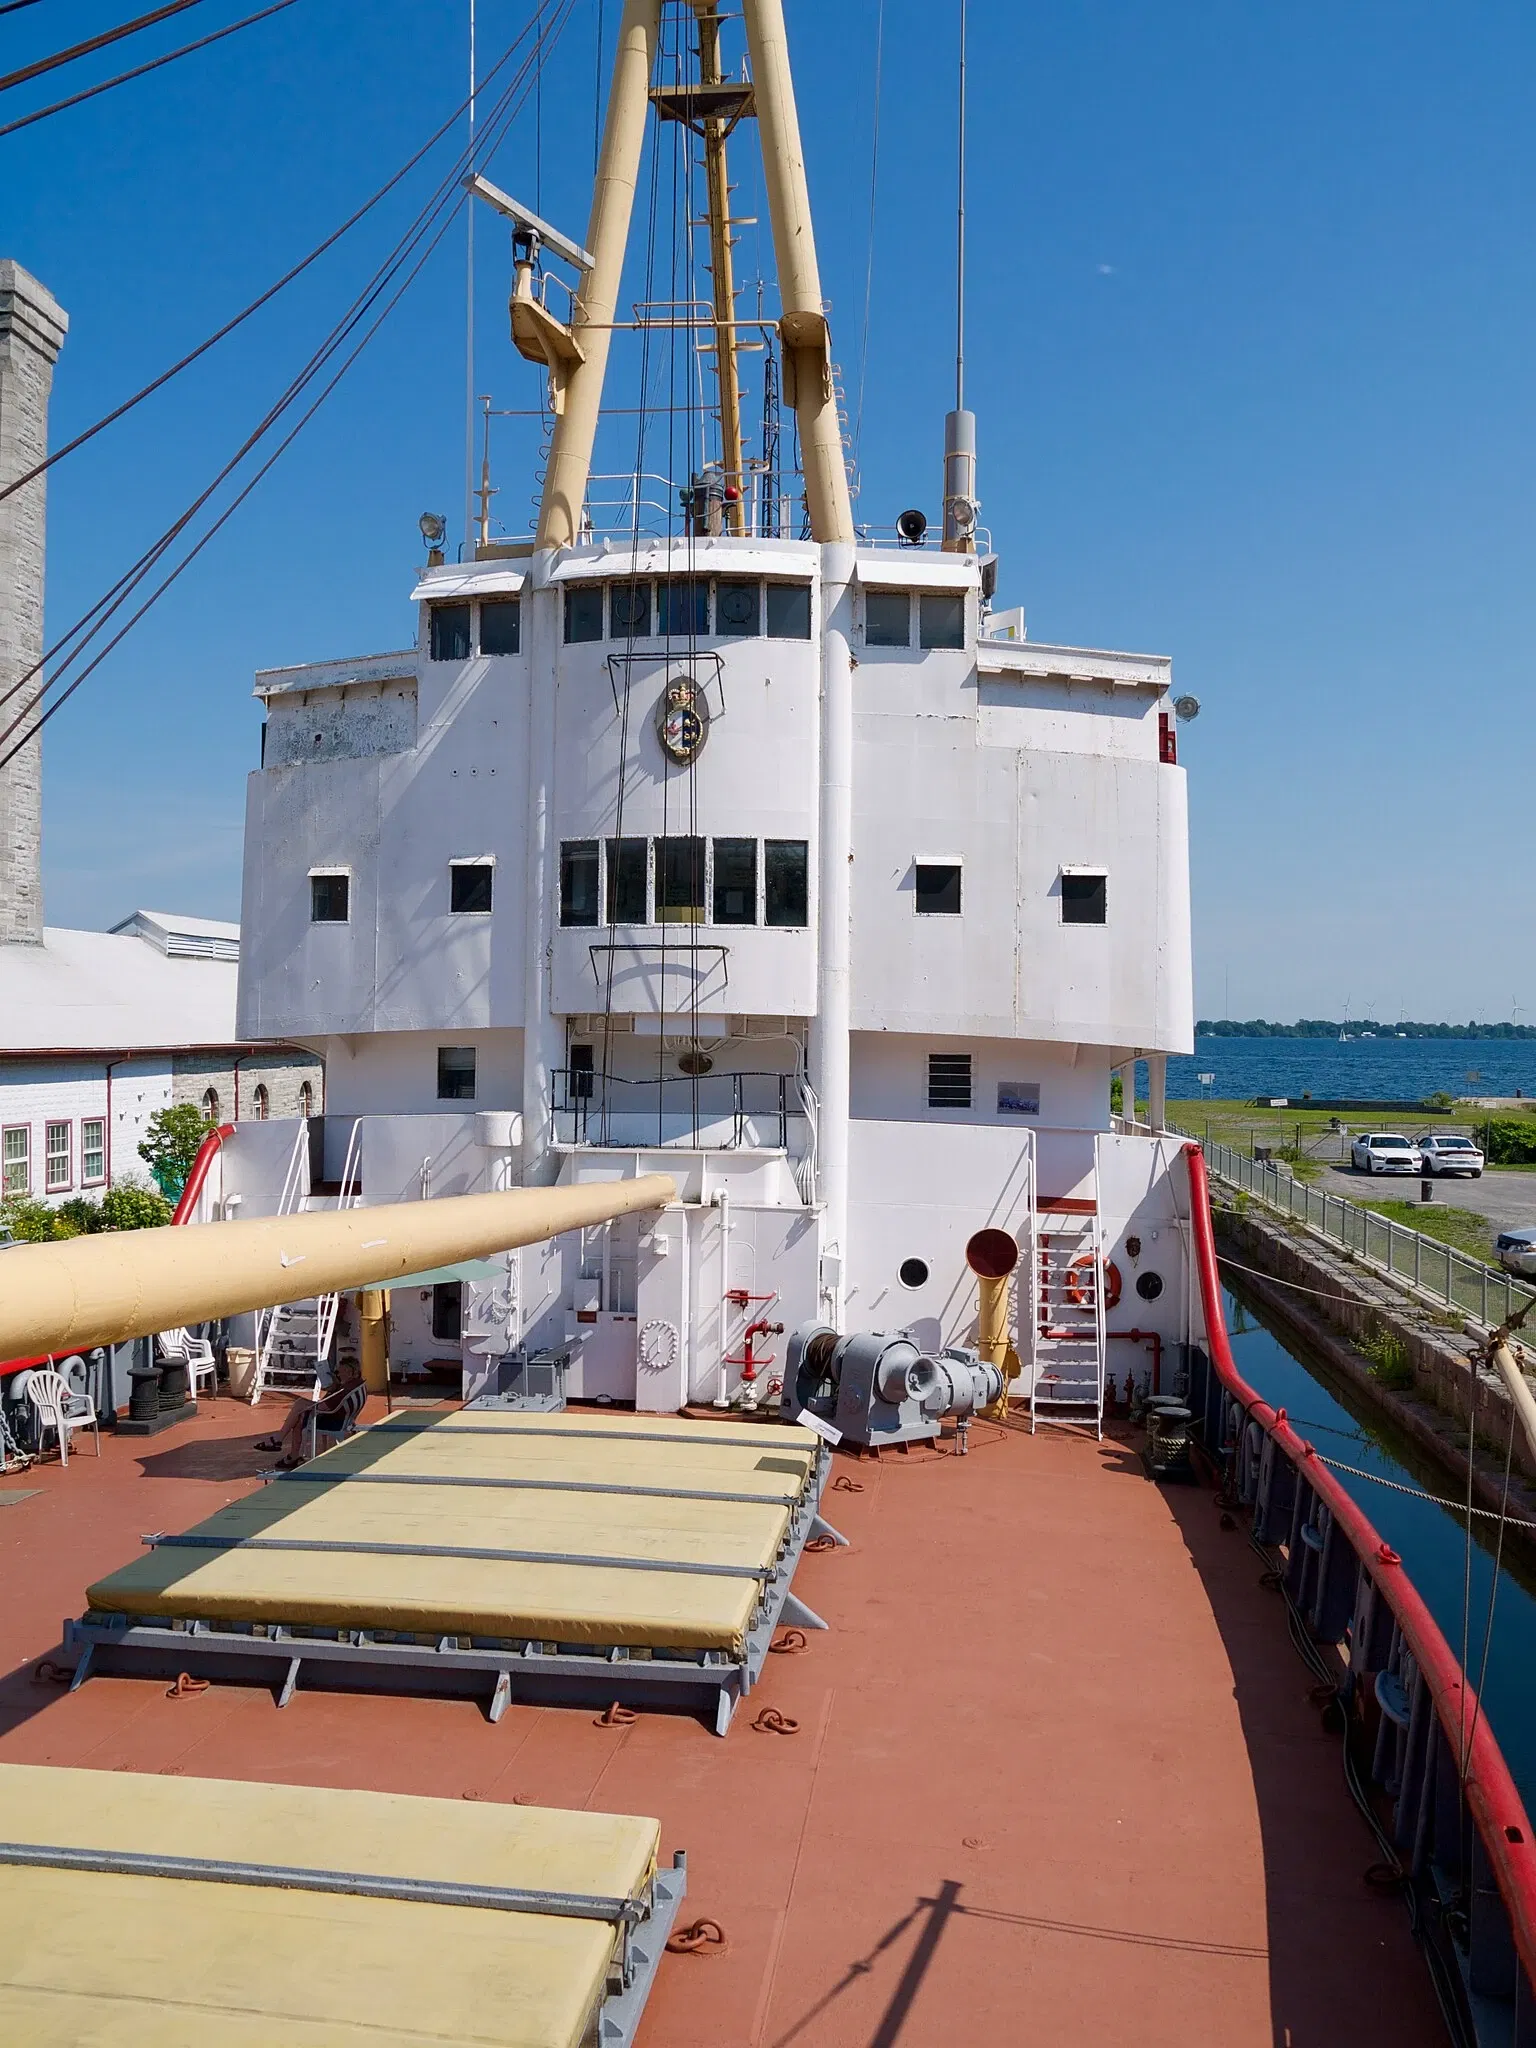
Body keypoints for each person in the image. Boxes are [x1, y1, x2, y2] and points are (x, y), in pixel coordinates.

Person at [255, 1361, 364, 1469]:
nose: (338, 1375)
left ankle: (283, 1444)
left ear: (349, 1372)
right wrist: (334, 1386)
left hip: (334, 1422)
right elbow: (334, 1399)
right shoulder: (354, 1384)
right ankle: (285, 1447)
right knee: (299, 1412)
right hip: (344, 1418)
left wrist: (305, 1405)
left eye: (339, 1372)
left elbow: (322, 1407)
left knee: (299, 1409)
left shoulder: (345, 1390)